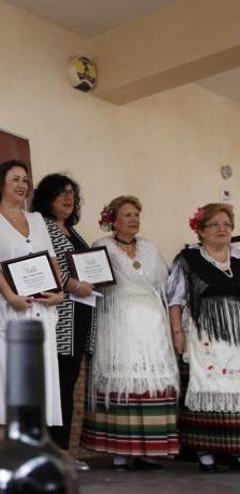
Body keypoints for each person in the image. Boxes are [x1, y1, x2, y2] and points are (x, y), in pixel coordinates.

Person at [80, 195, 179, 470]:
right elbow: (93, 281)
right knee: (123, 379)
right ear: (113, 220)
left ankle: (150, 450)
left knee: (150, 378)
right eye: (127, 214)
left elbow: (164, 282)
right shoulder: (102, 247)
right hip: (118, 320)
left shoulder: (149, 247)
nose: (134, 219)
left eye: (136, 214)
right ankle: (120, 450)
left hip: (151, 324)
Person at [0, 161, 64, 434]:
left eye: (25, 180)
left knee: (40, 376)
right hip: (8, 307)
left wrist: (58, 292)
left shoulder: (36, 219)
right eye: (15, 179)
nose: (22, 185)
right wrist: (10, 296)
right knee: (9, 375)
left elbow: (52, 260)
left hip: (40, 309)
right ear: (0, 184)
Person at [167, 203, 240, 472]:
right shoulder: (188, 260)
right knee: (205, 385)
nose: (223, 229)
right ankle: (205, 451)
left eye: (227, 224)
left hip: (236, 336)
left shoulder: (239, 257)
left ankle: (234, 449)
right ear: (201, 230)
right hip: (202, 334)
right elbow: (175, 301)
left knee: (236, 390)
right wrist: (177, 332)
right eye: (215, 224)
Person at [31, 174, 96, 467]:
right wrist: (71, 284)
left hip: (80, 315)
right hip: (60, 317)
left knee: (68, 385)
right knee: (54, 386)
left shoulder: (73, 232)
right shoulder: (40, 226)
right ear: (47, 198)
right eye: (61, 194)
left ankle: (63, 451)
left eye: (72, 193)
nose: (68, 199)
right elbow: (43, 266)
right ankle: (50, 452)